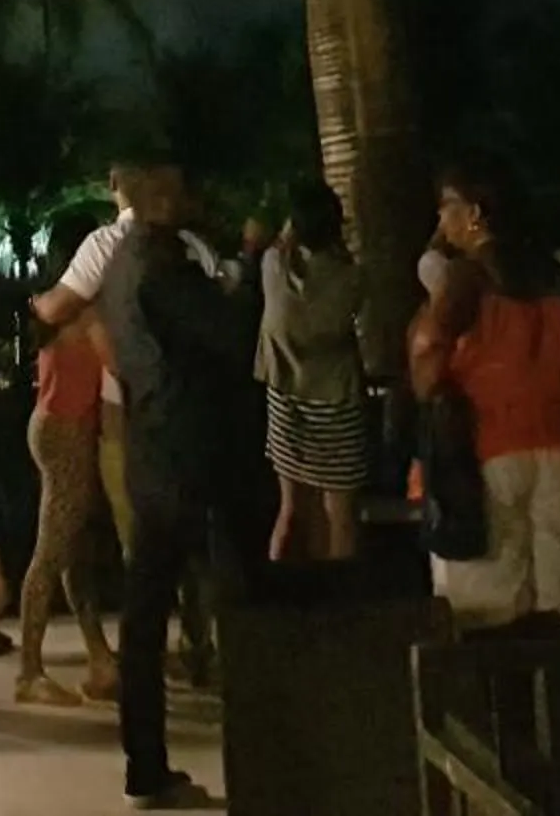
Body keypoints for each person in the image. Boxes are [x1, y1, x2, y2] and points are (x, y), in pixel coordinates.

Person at [32, 165, 234, 687]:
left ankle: (134, 673)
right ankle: (194, 649)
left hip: (124, 417)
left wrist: (35, 304)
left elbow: (64, 314)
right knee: (189, 540)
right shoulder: (193, 247)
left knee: (135, 545)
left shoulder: (104, 249)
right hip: (187, 414)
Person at [98, 164, 256, 811]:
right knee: (240, 607)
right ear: (162, 200)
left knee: (144, 617)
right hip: (195, 454)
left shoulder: (118, 266)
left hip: (149, 450)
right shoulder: (165, 268)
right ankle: (267, 757)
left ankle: (146, 762)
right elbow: (230, 335)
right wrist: (247, 268)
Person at [408, 160, 560, 629]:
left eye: (446, 207)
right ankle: (555, 695)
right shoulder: (557, 275)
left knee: (486, 608)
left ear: (474, 213)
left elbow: (427, 352)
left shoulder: (467, 278)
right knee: (557, 598)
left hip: (490, 447)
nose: (440, 221)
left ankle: (499, 702)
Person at [258, 181, 370, 563]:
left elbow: (278, 246)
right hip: (336, 399)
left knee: (290, 508)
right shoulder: (352, 279)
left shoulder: (272, 267)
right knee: (340, 514)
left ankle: (277, 595)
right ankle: (341, 599)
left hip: (285, 395)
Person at [11, 307, 117, 707]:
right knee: (52, 553)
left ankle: (100, 658)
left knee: (72, 552)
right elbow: (117, 364)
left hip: (57, 424)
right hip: (68, 429)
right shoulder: (87, 316)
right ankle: (29, 672)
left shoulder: (63, 311)